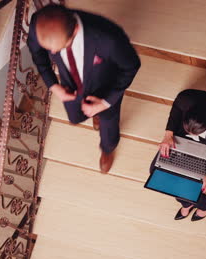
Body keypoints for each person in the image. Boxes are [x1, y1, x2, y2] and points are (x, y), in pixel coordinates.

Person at [27, 5, 141, 173]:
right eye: (49, 48)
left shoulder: (109, 38)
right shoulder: (39, 24)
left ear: (75, 30)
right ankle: (93, 115)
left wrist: (105, 103)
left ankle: (107, 150)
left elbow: (131, 66)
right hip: (70, 86)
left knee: (109, 123)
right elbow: (38, 55)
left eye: (59, 48)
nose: (53, 53)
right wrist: (53, 85)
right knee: (75, 116)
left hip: (105, 87)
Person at [150, 89, 206, 221]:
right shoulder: (185, 98)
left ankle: (190, 204)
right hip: (179, 139)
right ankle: (199, 204)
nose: (192, 134)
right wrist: (168, 135)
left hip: (205, 146)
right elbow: (176, 110)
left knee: (190, 181)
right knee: (156, 172)